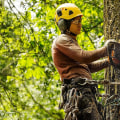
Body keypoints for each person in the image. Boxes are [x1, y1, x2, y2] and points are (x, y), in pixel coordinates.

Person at [52, 3, 116, 120]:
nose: (80, 25)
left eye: (80, 21)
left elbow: (88, 66)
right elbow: (84, 57)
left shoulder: (71, 42)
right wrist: (106, 49)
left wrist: (109, 61)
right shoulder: (62, 40)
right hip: (79, 91)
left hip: (85, 91)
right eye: (76, 22)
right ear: (64, 24)